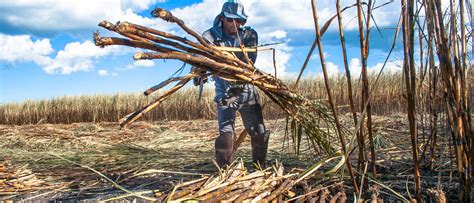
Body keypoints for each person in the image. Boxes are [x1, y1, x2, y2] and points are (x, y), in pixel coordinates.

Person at [194, 0, 269, 168]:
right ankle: (224, 171)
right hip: (224, 93)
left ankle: (260, 168)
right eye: (231, 19)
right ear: (222, 18)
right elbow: (200, 59)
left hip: (246, 92)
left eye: (240, 20)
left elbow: (247, 65)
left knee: (258, 132)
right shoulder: (210, 36)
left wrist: (233, 79)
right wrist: (200, 71)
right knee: (226, 133)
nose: (235, 24)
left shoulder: (249, 36)